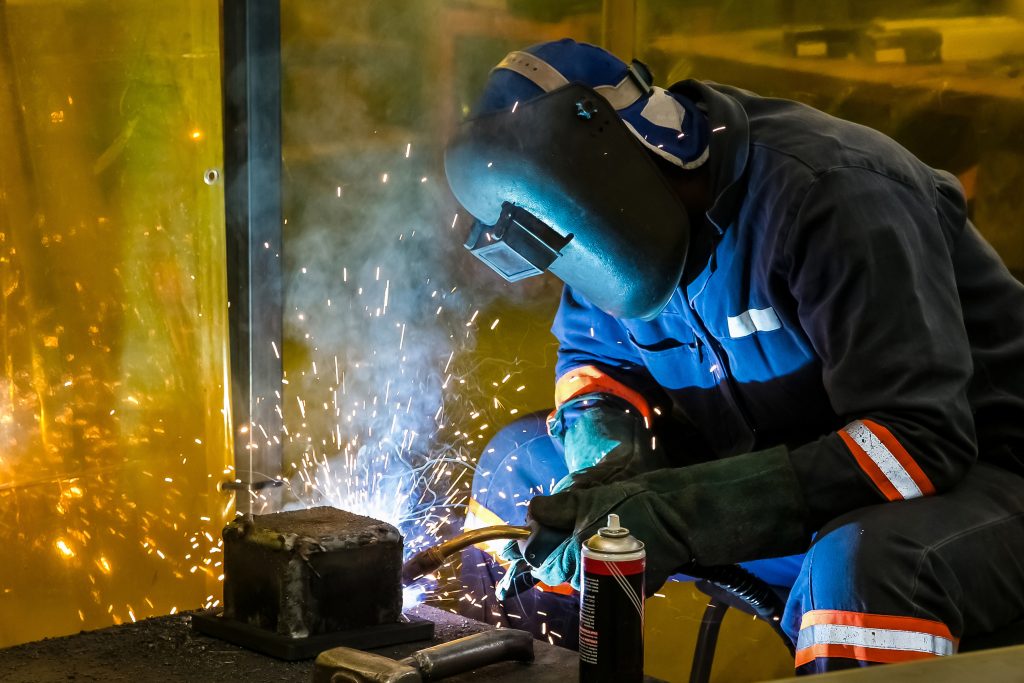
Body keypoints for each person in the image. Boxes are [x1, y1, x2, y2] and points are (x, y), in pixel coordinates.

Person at [444, 39, 1024, 674]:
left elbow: (921, 442)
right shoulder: (606, 216)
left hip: (973, 488)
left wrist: (682, 511)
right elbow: (595, 360)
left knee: (865, 567)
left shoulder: (830, 194)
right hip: (771, 477)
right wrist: (603, 460)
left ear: (623, 162)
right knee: (521, 473)